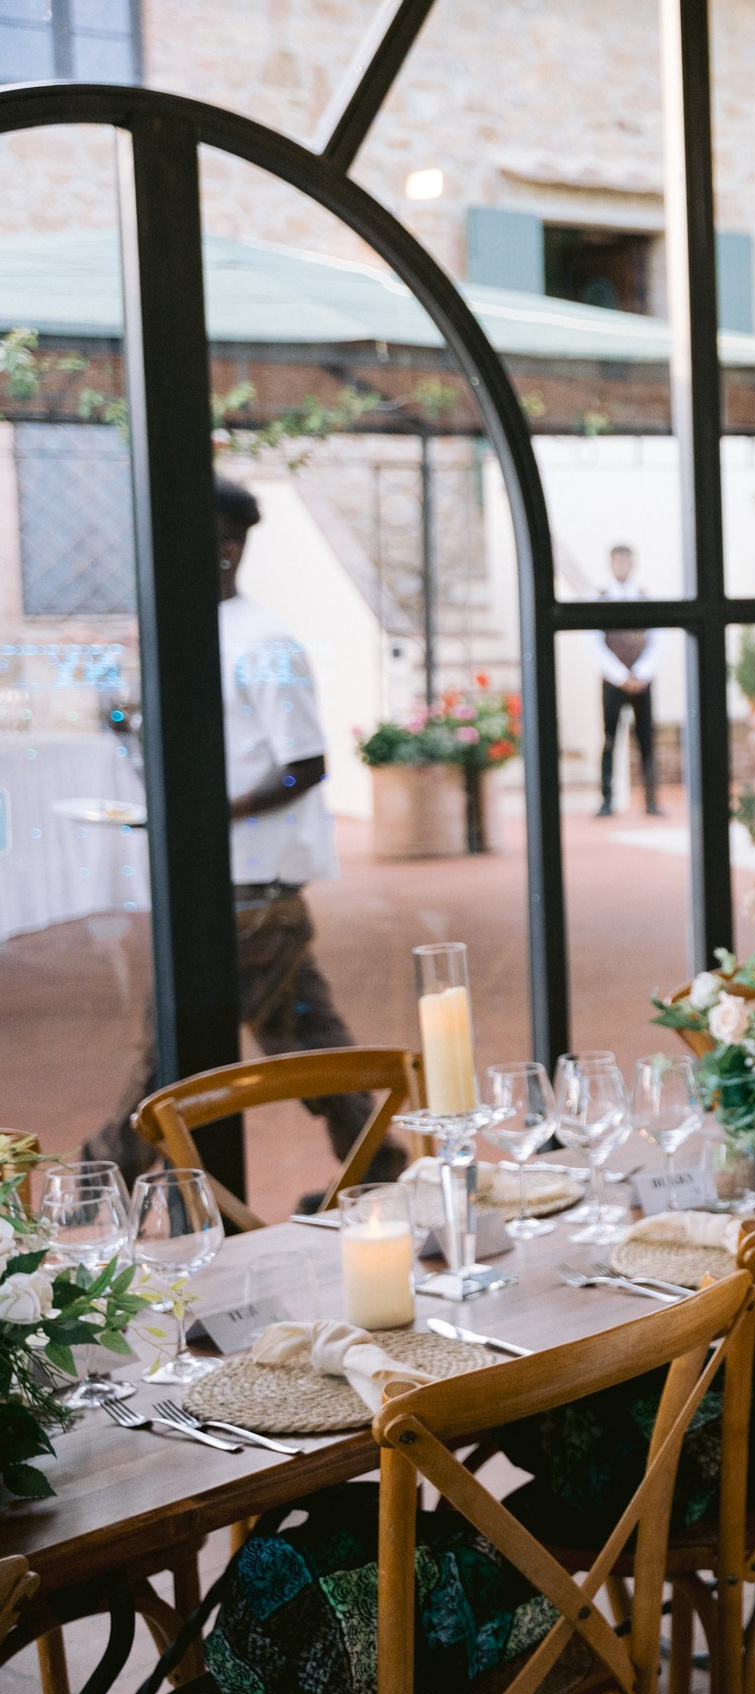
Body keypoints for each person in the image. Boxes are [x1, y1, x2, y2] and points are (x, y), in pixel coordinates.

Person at [91, 477, 389, 1184]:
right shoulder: (200, 634)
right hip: (221, 878)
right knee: (303, 1040)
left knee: (182, 1045)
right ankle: (379, 1166)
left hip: (251, 882)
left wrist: (210, 814)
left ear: (227, 549)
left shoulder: (264, 641)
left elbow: (307, 764)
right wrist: (129, 729)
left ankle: (101, 1176)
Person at [591, 543, 665, 816]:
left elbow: (658, 639)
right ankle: (606, 800)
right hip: (613, 681)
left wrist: (641, 673)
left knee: (646, 738)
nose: (621, 566)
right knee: (610, 738)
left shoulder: (646, 597)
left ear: (632, 564)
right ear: (611, 564)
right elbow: (594, 644)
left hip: (642, 679)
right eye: (617, 562)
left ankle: (651, 800)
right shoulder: (599, 598)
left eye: (626, 562)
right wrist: (621, 676)